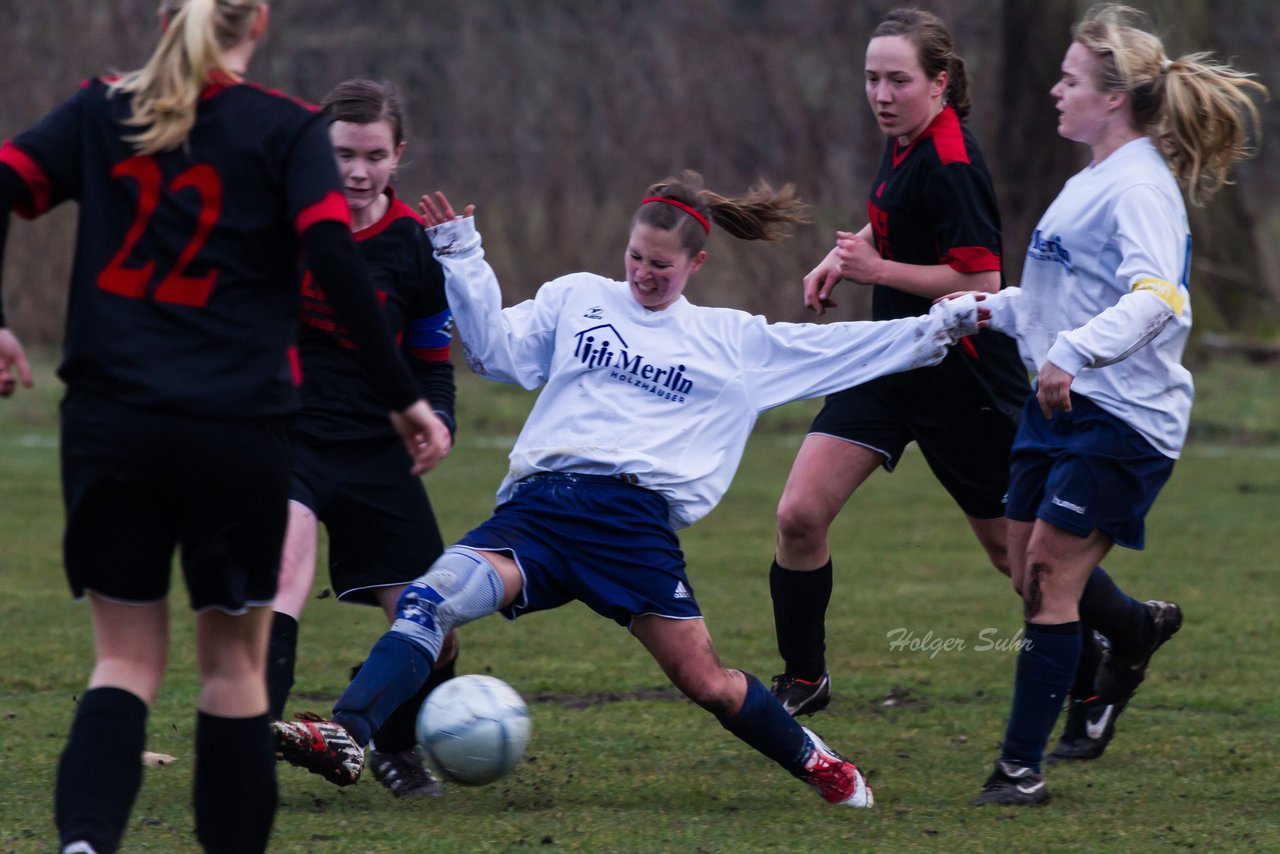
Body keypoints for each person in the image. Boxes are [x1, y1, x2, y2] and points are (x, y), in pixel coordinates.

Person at [270, 170, 989, 808]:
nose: (645, 274)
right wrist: (465, 256)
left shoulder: (728, 341)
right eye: (637, 258)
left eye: (663, 266)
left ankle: (818, 761)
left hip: (631, 528)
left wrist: (937, 330)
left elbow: (837, 351)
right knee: (431, 598)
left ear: (696, 264)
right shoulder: (578, 297)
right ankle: (349, 732)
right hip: (539, 513)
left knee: (706, 682)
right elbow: (494, 354)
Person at [0, 1, 449, 851]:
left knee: (125, 663)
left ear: (164, 16)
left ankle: (86, 842)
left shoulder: (103, 108)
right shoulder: (283, 128)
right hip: (237, 428)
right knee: (234, 671)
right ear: (260, 22)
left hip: (111, 422)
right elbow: (333, 261)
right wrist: (404, 394)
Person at [969, 4, 1266, 806]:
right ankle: (1132, 631)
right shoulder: (1089, 182)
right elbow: (1057, 299)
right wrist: (976, 312)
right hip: (1059, 407)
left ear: (1111, 97)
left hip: (1123, 417)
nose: (1055, 92)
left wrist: (1073, 351)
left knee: (1049, 578)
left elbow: (1156, 299)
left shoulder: (1142, 189)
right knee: (1025, 567)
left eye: (1068, 80)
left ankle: (1018, 770)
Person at [766, 7, 1031, 717]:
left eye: (898, 80)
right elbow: (898, 234)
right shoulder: (905, 140)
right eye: (871, 79)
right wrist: (844, 256)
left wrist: (875, 269)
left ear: (939, 82)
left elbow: (980, 286)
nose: (881, 95)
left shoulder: (951, 163)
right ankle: (804, 677)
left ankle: (1119, 634)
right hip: (890, 363)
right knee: (798, 513)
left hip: (964, 378)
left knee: (1018, 559)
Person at [266, 78, 461, 800]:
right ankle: (248, 745)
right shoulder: (281, 223)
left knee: (435, 627)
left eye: (373, 155)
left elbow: (431, 361)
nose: (356, 170)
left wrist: (437, 421)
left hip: (377, 451)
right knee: (283, 570)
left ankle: (393, 747)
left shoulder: (411, 247)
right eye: (343, 153)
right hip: (290, 437)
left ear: (398, 155)